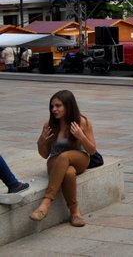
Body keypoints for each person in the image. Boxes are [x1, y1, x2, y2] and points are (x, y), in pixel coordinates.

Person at [30, 90, 97, 227]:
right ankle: (75, 213)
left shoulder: (82, 122)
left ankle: (46, 202)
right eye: (52, 106)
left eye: (58, 106)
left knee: (65, 156)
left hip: (80, 158)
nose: (54, 109)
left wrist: (81, 136)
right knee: (68, 172)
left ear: (68, 106)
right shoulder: (49, 125)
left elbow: (92, 150)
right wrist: (41, 142)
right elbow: (44, 155)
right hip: (56, 161)